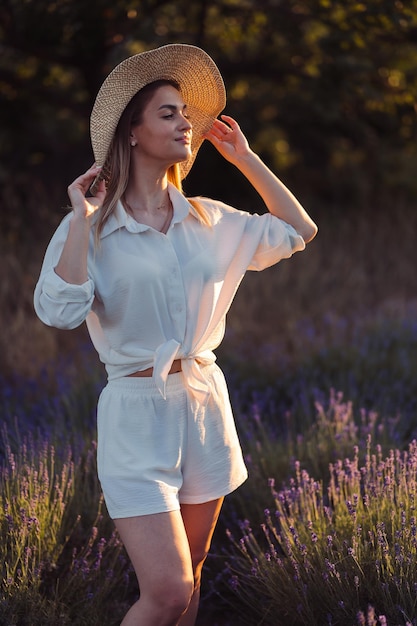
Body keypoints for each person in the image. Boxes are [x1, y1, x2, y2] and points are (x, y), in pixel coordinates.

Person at [34, 43, 317, 626]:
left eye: (187, 112)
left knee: (191, 581)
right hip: (136, 415)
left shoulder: (209, 220)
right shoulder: (90, 226)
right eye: (168, 112)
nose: (185, 122)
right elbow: (59, 312)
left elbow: (298, 228)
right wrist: (84, 226)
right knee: (164, 591)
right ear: (131, 132)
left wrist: (246, 159)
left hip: (205, 406)